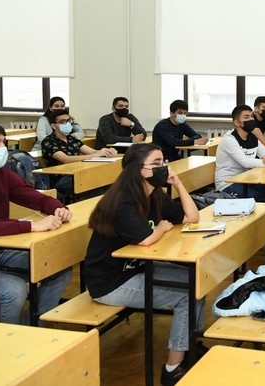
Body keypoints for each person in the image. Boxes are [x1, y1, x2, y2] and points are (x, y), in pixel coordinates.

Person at [84, 143, 204, 386]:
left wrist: (178, 184)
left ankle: (191, 345)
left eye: (163, 163)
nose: (163, 168)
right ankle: (173, 369)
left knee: (198, 279)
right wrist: (160, 227)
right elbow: (147, 239)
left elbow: (192, 217)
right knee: (186, 296)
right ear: (138, 170)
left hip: (135, 270)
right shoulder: (122, 202)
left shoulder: (153, 194)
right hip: (110, 283)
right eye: (156, 164)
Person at [0, 122, 73, 324]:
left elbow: (36, 198)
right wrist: (30, 226)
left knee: (58, 267)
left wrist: (57, 208)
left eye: (3, 142)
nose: (2, 148)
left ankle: (32, 328)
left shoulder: (1, 174)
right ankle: (9, 345)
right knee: (13, 289)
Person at [215, 105, 265, 200]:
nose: (251, 119)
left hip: (246, 180)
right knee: (258, 197)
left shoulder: (252, 137)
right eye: (246, 117)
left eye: (252, 116)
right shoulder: (229, 140)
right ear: (237, 122)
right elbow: (245, 162)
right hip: (227, 184)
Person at [42, 109, 118, 198]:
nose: (67, 124)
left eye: (68, 121)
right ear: (54, 126)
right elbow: (65, 159)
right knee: (95, 183)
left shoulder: (71, 139)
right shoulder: (48, 141)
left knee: (106, 179)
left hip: (78, 173)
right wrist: (94, 155)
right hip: (61, 178)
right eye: (63, 122)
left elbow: (92, 151)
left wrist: (107, 152)